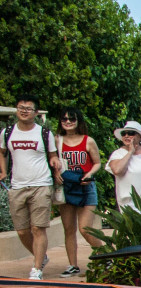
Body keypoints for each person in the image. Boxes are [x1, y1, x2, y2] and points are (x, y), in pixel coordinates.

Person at [1, 94, 59, 279]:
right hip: (17, 186)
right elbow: (2, 153)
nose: (24, 111)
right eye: (21, 108)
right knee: (22, 231)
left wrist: (55, 161)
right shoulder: (7, 133)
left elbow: (52, 155)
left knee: (38, 228)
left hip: (41, 184)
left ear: (35, 112)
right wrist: (3, 171)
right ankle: (41, 257)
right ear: (17, 110)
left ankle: (37, 269)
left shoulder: (44, 133)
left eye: (28, 109)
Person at [52, 106, 102, 276]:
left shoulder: (88, 141)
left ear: (78, 121)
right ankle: (72, 264)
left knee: (85, 228)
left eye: (71, 119)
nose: (67, 122)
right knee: (68, 228)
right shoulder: (56, 140)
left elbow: (97, 162)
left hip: (85, 187)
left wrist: (88, 175)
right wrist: (56, 173)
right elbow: (51, 160)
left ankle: (105, 256)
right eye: (64, 119)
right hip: (67, 187)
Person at [108, 120, 141, 210]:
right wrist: (130, 152)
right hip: (130, 205)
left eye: (131, 133)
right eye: (124, 134)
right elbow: (117, 171)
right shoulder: (118, 154)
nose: (126, 136)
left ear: (140, 136)